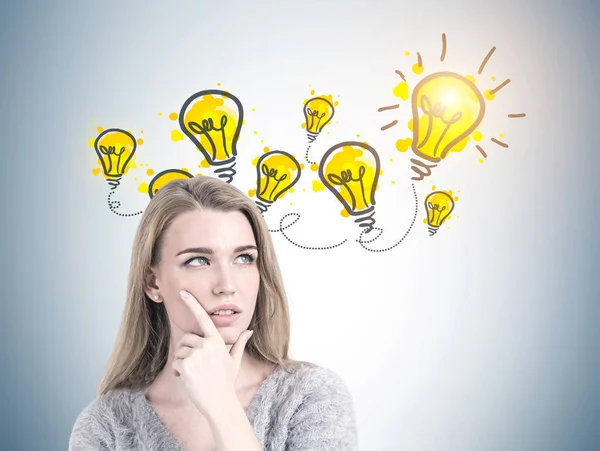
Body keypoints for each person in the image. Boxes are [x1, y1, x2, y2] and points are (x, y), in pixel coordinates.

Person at [69, 175, 358, 451]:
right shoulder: (106, 426)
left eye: (244, 258)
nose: (227, 285)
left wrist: (223, 408)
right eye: (198, 261)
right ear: (153, 282)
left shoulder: (311, 397)